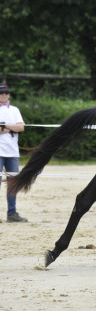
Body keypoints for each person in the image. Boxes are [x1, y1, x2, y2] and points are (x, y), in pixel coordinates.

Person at [0, 84, 27, 223]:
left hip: (12, 152)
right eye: (1, 93)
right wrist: (12, 127)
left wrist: (6, 126)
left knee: (13, 183)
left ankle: (12, 213)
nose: (4, 95)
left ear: (8, 95)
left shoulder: (15, 110)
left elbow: (21, 127)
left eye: (6, 93)